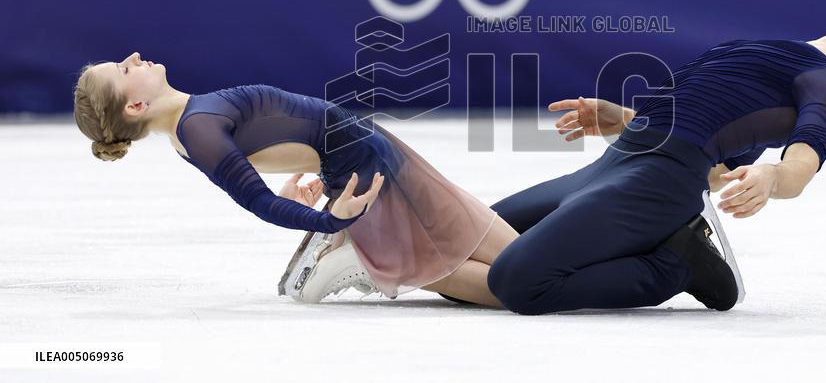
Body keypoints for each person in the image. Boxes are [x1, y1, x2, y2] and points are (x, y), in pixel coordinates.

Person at [483, 7, 826, 315]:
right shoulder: (795, 54)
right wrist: (622, 119)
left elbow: (800, 167)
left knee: (517, 281)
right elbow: (716, 147)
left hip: (659, 183)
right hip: (620, 161)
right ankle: (653, 245)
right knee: (470, 234)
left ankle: (673, 265)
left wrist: (773, 177)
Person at [72, 60, 518, 307]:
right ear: (135, 104)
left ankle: (356, 246)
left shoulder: (189, 127)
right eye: (123, 69)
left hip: (359, 158)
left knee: (480, 255)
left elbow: (269, 147)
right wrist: (327, 220)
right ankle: (354, 249)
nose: (132, 58)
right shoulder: (198, 128)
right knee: (504, 274)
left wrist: (320, 198)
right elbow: (257, 201)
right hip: (365, 167)